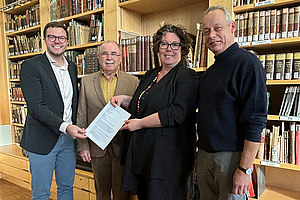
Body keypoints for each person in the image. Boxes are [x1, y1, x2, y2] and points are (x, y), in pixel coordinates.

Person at [110, 24, 198, 200]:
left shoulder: (187, 76)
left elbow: (176, 113)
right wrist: (125, 99)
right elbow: (144, 103)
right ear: (158, 48)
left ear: (183, 49)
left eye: (175, 45)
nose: (169, 49)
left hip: (168, 161)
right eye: (164, 44)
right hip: (145, 157)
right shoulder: (151, 74)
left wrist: (139, 123)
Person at [196, 5, 267, 200]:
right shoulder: (209, 73)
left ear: (232, 27)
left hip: (231, 159)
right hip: (204, 157)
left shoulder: (248, 64)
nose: (212, 35)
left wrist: (244, 169)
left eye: (218, 28)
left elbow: (256, 120)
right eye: (207, 31)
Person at [20, 22, 87, 200]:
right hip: (42, 140)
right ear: (45, 39)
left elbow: (72, 103)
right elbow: (36, 107)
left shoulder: (72, 67)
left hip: (68, 141)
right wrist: (66, 126)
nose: (57, 41)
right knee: (41, 193)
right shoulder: (31, 66)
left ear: (67, 41)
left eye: (61, 37)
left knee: (66, 188)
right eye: (52, 37)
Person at [76, 41, 139, 200]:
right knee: (101, 192)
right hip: (97, 148)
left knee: (122, 194)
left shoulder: (133, 82)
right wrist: (83, 146)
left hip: (122, 147)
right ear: (98, 57)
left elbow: (137, 114)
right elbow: (81, 114)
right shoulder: (86, 82)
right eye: (104, 53)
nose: (109, 57)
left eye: (113, 54)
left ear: (120, 58)